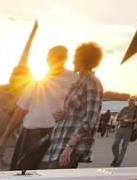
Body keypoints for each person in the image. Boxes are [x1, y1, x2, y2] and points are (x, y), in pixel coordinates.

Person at [5, 45, 77, 170]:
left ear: (65, 59)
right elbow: (21, 110)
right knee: (22, 172)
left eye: (59, 57)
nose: (56, 60)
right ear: (47, 59)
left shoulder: (74, 79)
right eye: (53, 57)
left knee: (48, 174)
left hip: (56, 135)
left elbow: (82, 107)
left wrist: (69, 112)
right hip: (29, 134)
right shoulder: (37, 80)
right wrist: (4, 137)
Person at [41, 42, 104, 170]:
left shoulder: (92, 83)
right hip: (57, 141)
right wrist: (60, 114)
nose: (73, 60)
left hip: (68, 145)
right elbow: (74, 111)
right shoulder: (77, 82)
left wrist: (69, 147)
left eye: (76, 57)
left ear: (83, 59)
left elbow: (90, 120)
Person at [110, 97, 137, 167]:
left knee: (124, 146)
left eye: (132, 100)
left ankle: (119, 161)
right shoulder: (124, 108)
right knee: (115, 144)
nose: (131, 101)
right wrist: (122, 118)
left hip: (129, 129)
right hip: (120, 128)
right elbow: (117, 118)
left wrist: (131, 120)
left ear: (135, 101)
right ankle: (116, 157)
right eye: (130, 100)